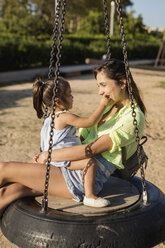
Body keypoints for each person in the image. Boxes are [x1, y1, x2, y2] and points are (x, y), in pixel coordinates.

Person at [0, 59, 146, 217]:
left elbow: (91, 149)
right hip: (69, 165)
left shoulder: (133, 116)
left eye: (103, 85)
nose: (100, 92)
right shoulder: (111, 106)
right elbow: (78, 137)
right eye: (99, 86)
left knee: (4, 168)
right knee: (9, 192)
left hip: (82, 177)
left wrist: (48, 156)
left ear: (123, 83)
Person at [32, 77, 111, 207]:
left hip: (53, 159)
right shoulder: (64, 116)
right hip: (62, 159)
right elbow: (90, 122)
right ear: (57, 101)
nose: (72, 97)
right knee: (90, 162)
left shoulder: (48, 119)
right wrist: (103, 105)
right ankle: (89, 196)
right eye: (69, 95)